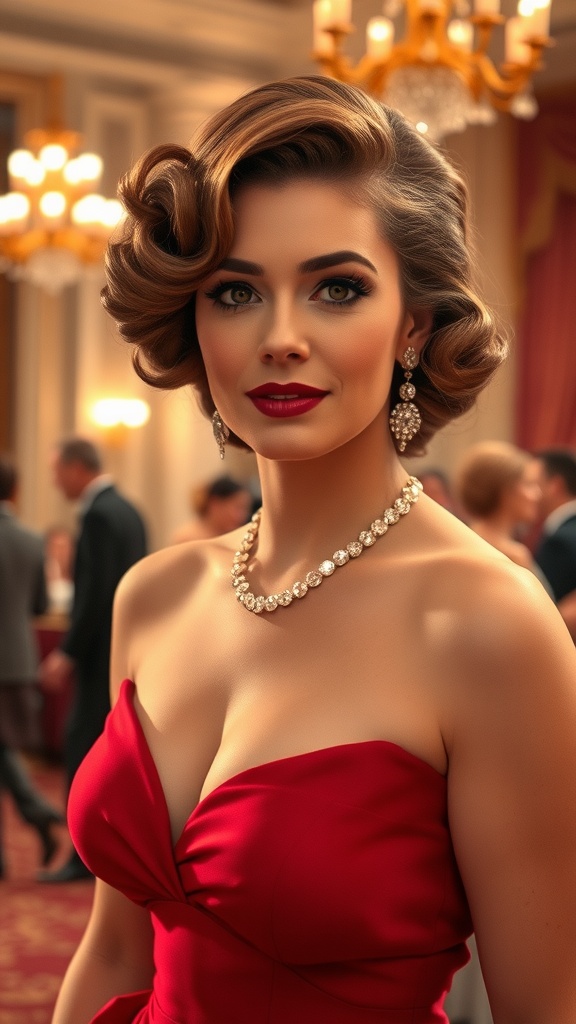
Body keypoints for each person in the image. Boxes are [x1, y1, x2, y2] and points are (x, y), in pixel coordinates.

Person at [53, 78, 576, 1023]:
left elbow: (548, 1006)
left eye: (337, 288)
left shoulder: (490, 625)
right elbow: (113, 954)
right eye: (237, 291)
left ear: (413, 322)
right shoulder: (157, 593)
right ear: (194, 317)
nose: (280, 338)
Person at [40, 438, 147, 882]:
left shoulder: (99, 515)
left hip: (99, 653)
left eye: (57, 471)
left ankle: (80, 857)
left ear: (77, 467)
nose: (54, 480)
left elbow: (95, 594)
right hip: (125, 652)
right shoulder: (129, 509)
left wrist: (66, 652)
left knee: (82, 749)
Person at [0, 455, 64, 877]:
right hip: (17, 663)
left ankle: (36, 812)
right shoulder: (30, 539)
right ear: (16, 490)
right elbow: (41, 604)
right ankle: (37, 811)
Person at [454, 440, 546, 576]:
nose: (537, 494)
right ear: (506, 492)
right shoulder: (514, 556)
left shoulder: (460, 542)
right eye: (529, 484)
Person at [532, 448, 576, 601]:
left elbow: (543, 606)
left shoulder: (560, 542)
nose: (530, 494)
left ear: (555, 485)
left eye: (532, 484)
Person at [171, 473, 252, 543]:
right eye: (238, 508)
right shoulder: (187, 538)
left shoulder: (241, 537)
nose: (242, 516)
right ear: (215, 504)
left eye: (246, 509)